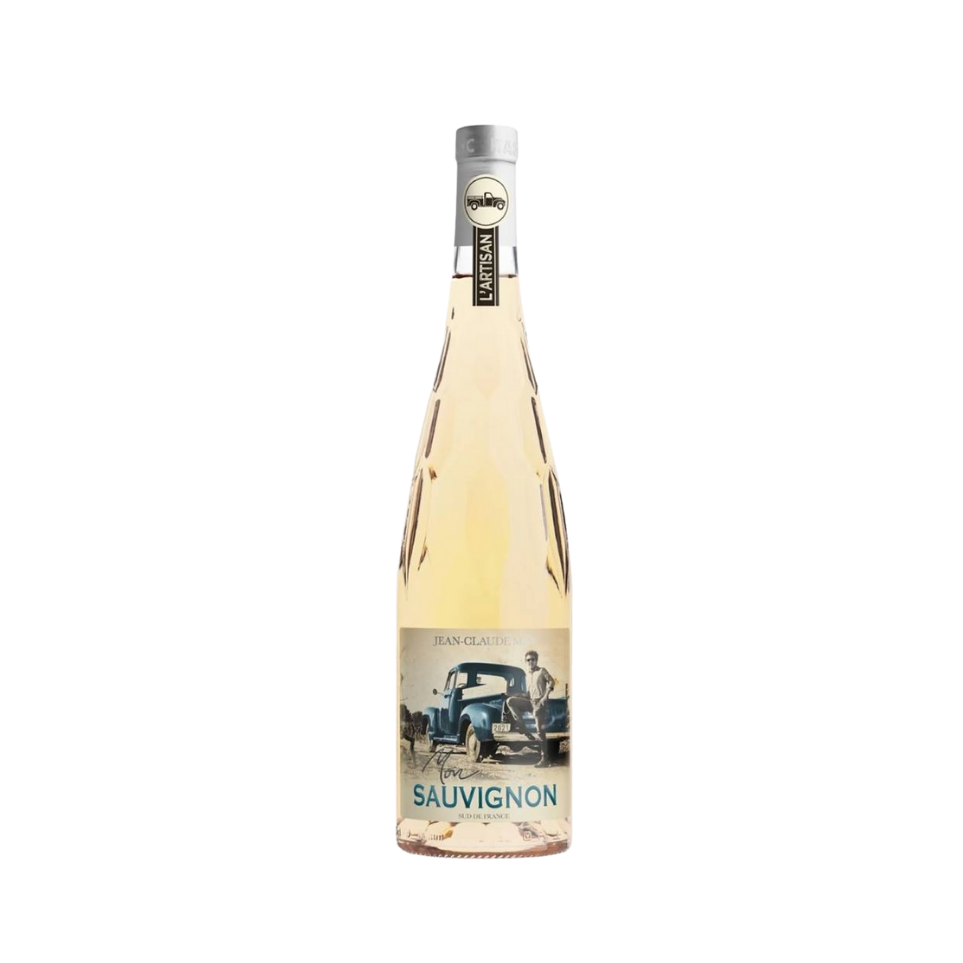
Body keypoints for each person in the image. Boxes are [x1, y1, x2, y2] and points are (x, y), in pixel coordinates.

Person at [505, 650, 555, 768]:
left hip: (539, 703)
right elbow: (528, 693)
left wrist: (545, 697)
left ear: (536, 660)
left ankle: (544, 759)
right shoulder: (529, 675)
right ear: (526, 661)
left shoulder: (542, 671)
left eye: (532, 659)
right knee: (510, 701)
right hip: (530, 702)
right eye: (528, 660)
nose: (530, 662)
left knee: (539, 731)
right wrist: (518, 695)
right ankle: (522, 727)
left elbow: (552, 682)